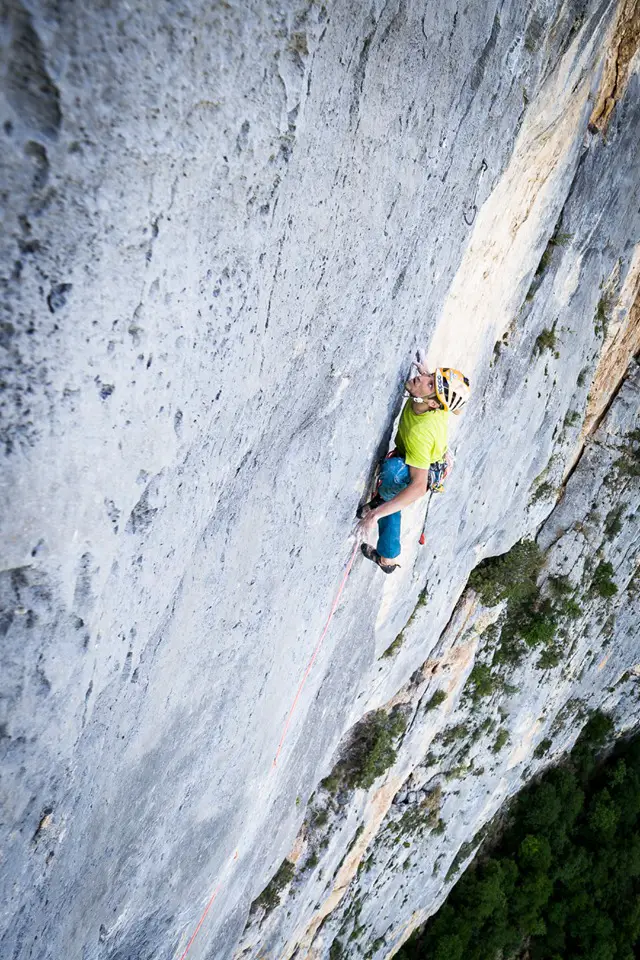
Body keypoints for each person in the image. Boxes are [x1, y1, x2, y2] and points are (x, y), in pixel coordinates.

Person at [357, 364, 470, 573]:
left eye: (429, 382)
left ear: (433, 403)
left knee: (393, 479)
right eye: (429, 376)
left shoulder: (421, 433)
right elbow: (447, 402)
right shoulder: (432, 401)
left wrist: (376, 514)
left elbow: (418, 487)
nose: (421, 377)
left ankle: (387, 558)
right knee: (393, 483)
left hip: (420, 470)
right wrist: (428, 376)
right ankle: (381, 502)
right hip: (422, 456)